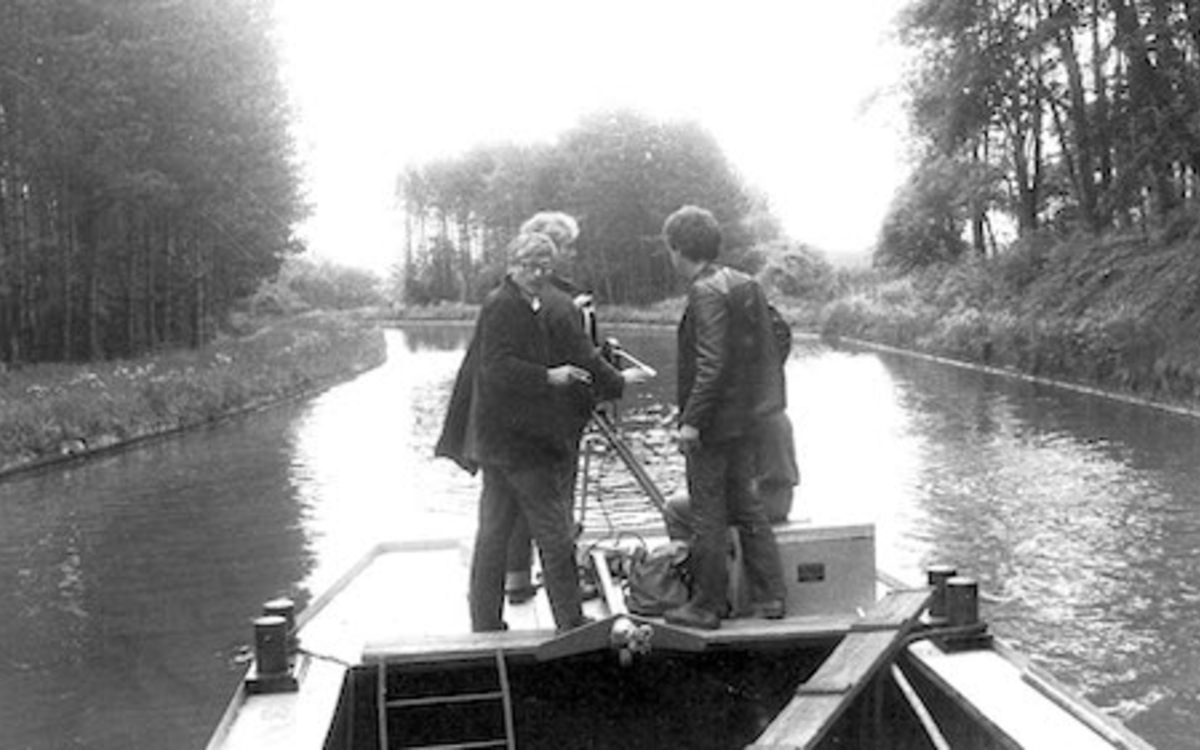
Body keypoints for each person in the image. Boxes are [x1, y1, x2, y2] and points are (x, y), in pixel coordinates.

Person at [435, 231, 630, 633]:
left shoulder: (522, 303)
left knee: (493, 534)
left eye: (545, 266)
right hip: (522, 446)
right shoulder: (504, 306)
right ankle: (571, 623)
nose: (538, 274)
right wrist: (549, 376)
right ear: (512, 266)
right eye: (530, 266)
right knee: (554, 535)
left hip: (498, 444)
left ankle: (485, 621)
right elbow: (496, 368)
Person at [660, 205, 788, 630]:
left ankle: (706, 605)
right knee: (748, 506)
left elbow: (711, 363)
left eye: (671, 250)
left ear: (679, 250)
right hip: (746, 419)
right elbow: (773, 341)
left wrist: (692, 420)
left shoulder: (705, 291)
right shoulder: (744, 283)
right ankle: (772, 596)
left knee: (707, 514)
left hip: (715, 425)